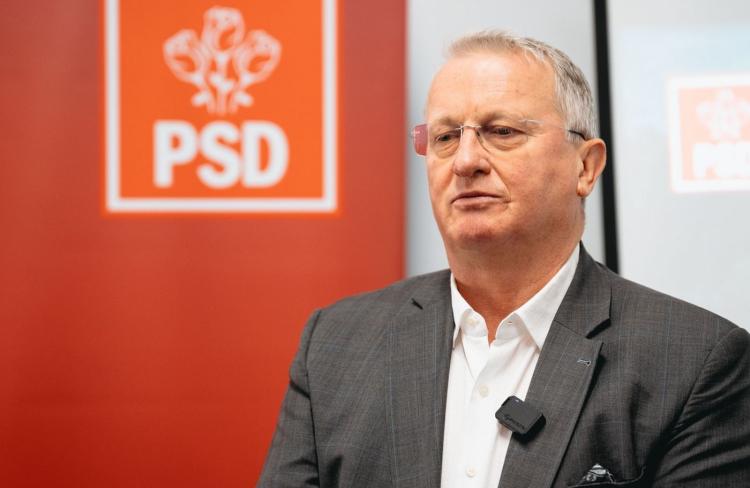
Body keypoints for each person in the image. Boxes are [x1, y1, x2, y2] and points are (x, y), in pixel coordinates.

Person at [258, 31, 750, 487]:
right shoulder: (335, 345)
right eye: (445, 137)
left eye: (502, 131)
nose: (466, 161)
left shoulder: (696, 363)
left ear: (585, 166)